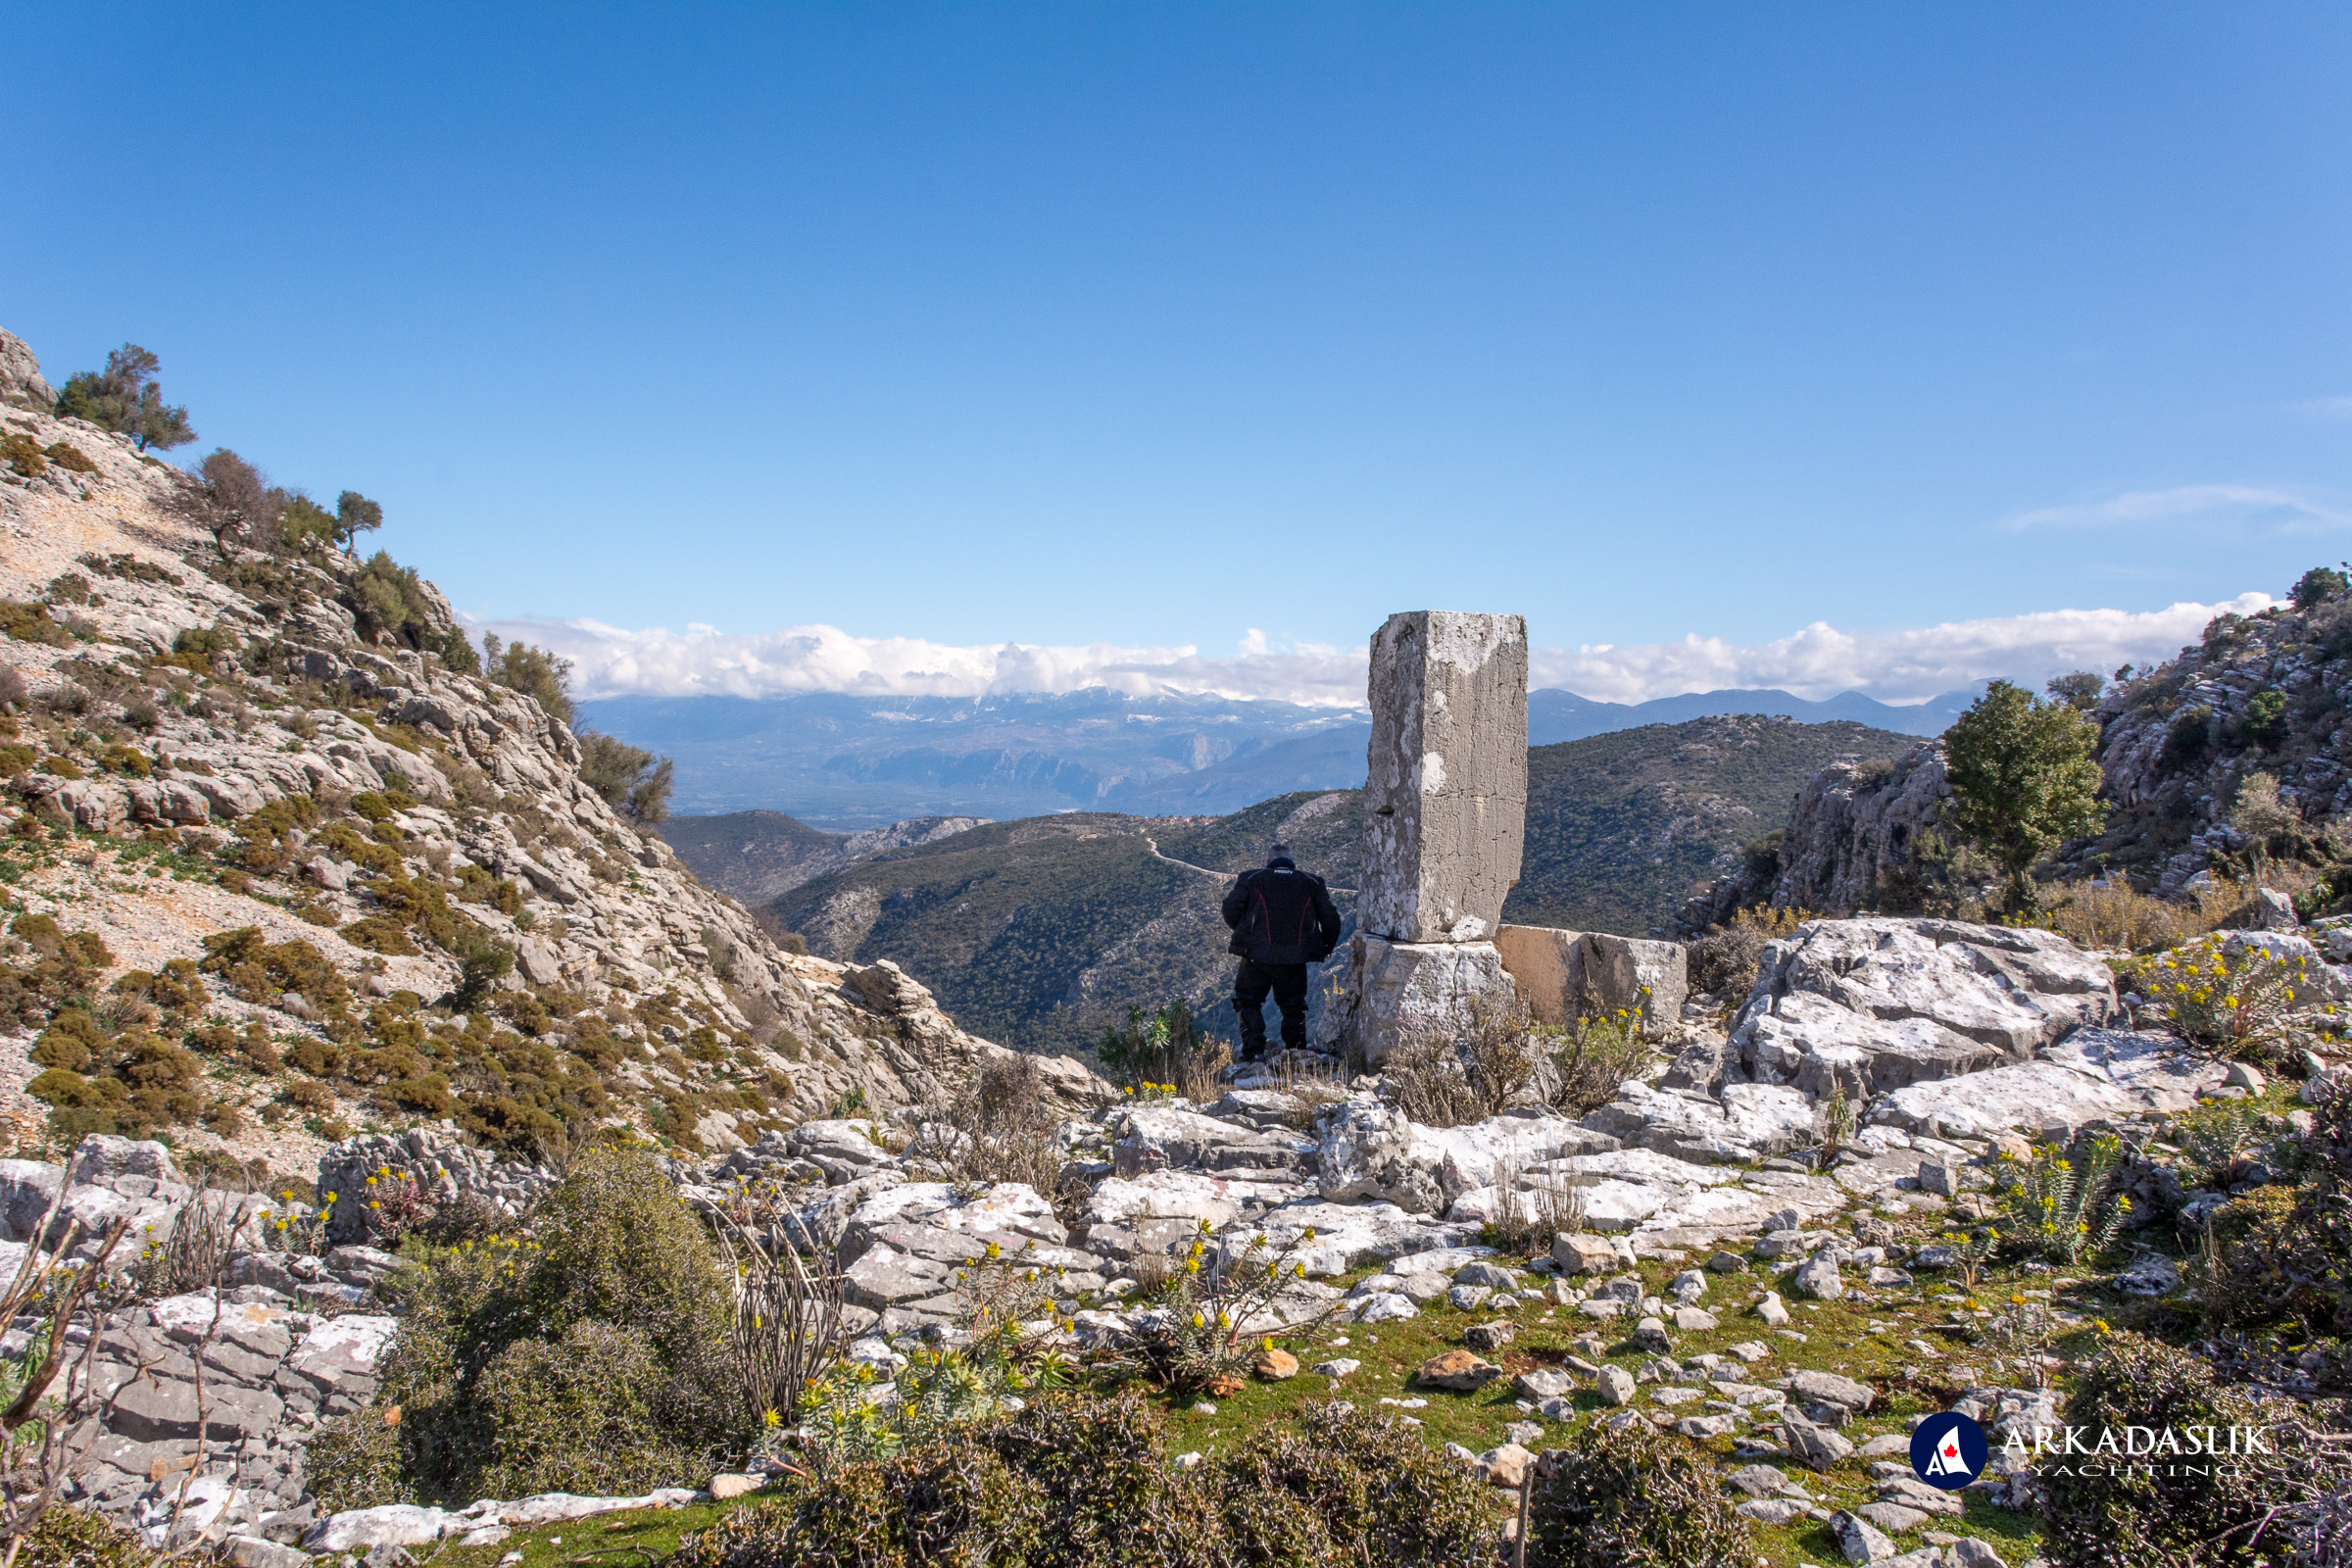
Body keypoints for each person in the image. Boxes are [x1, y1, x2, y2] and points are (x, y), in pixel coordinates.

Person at [1220, 840, 1344, 1063]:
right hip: (1295, 958)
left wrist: (1246, 932)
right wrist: (1326, 946)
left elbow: (1230, 909)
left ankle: (1253, 1053)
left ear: (1268, 862)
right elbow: (1331, 918)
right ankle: (1295, 1053)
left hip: (1257, 955)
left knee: (1248, 1000)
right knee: (1293, 1005)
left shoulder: (1251, 878)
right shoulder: (1312, 882)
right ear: (1292, 862)